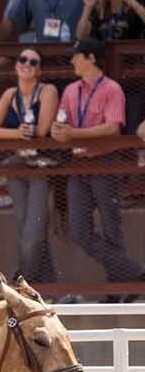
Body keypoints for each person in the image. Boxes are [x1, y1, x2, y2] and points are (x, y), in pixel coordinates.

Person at [54, 38, 141, 284]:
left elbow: (113, 128)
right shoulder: (70, 90)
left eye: (76, 55)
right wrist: (57, 130)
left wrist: (72, 133)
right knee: (79, 231)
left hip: (105, 162)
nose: (72, 60)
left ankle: (118, 289)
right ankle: (134, 272)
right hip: (78, 163)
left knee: (112, 227)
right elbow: (61, 123)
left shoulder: (112, 89)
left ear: (91, 58)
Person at [0, 48, 59, 282]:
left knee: (33, 232)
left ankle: (22, 281)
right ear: (16, 65)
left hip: (40, 164)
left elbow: (42, 130)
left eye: (33, 62)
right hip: (16, 165)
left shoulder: (47, 91)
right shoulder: (9, 94)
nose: (27, 64)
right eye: (22, 59)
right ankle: (49, 285)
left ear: (39, 70)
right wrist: (16, 133)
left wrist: (19, 133)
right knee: (25, 227)